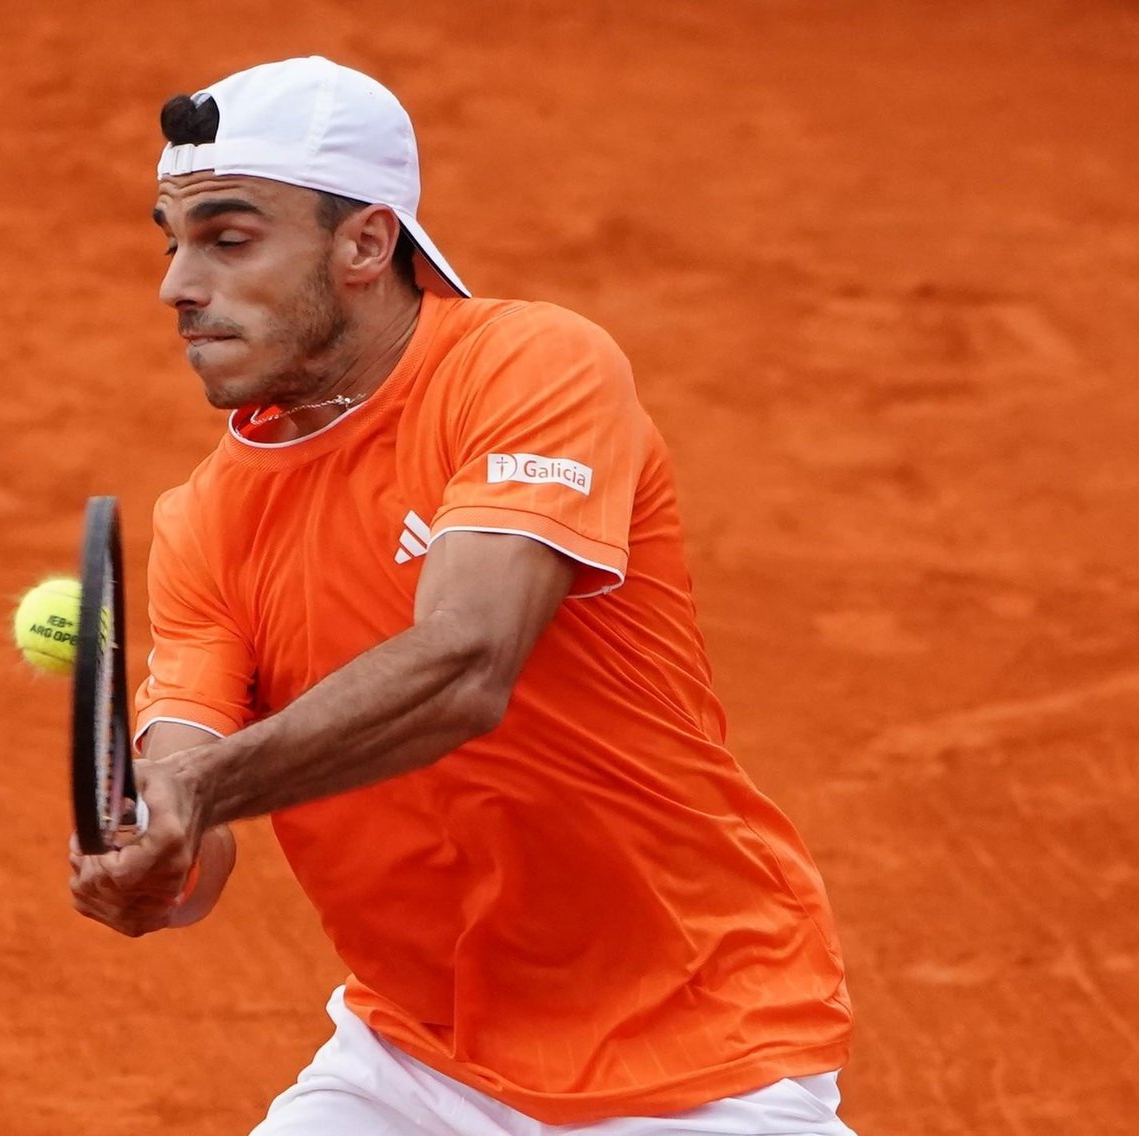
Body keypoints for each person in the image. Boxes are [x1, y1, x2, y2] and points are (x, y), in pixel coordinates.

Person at [69, 55, 858, 1136]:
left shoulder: (529, 368)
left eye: (229, 238)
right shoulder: (204, 519)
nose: (177, 284)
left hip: (694, 1052)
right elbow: (190, 813)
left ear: (364, 242)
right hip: (415, 1061)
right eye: (173, 242)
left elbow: (466, 664)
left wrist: (200, 787)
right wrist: (156, 854)